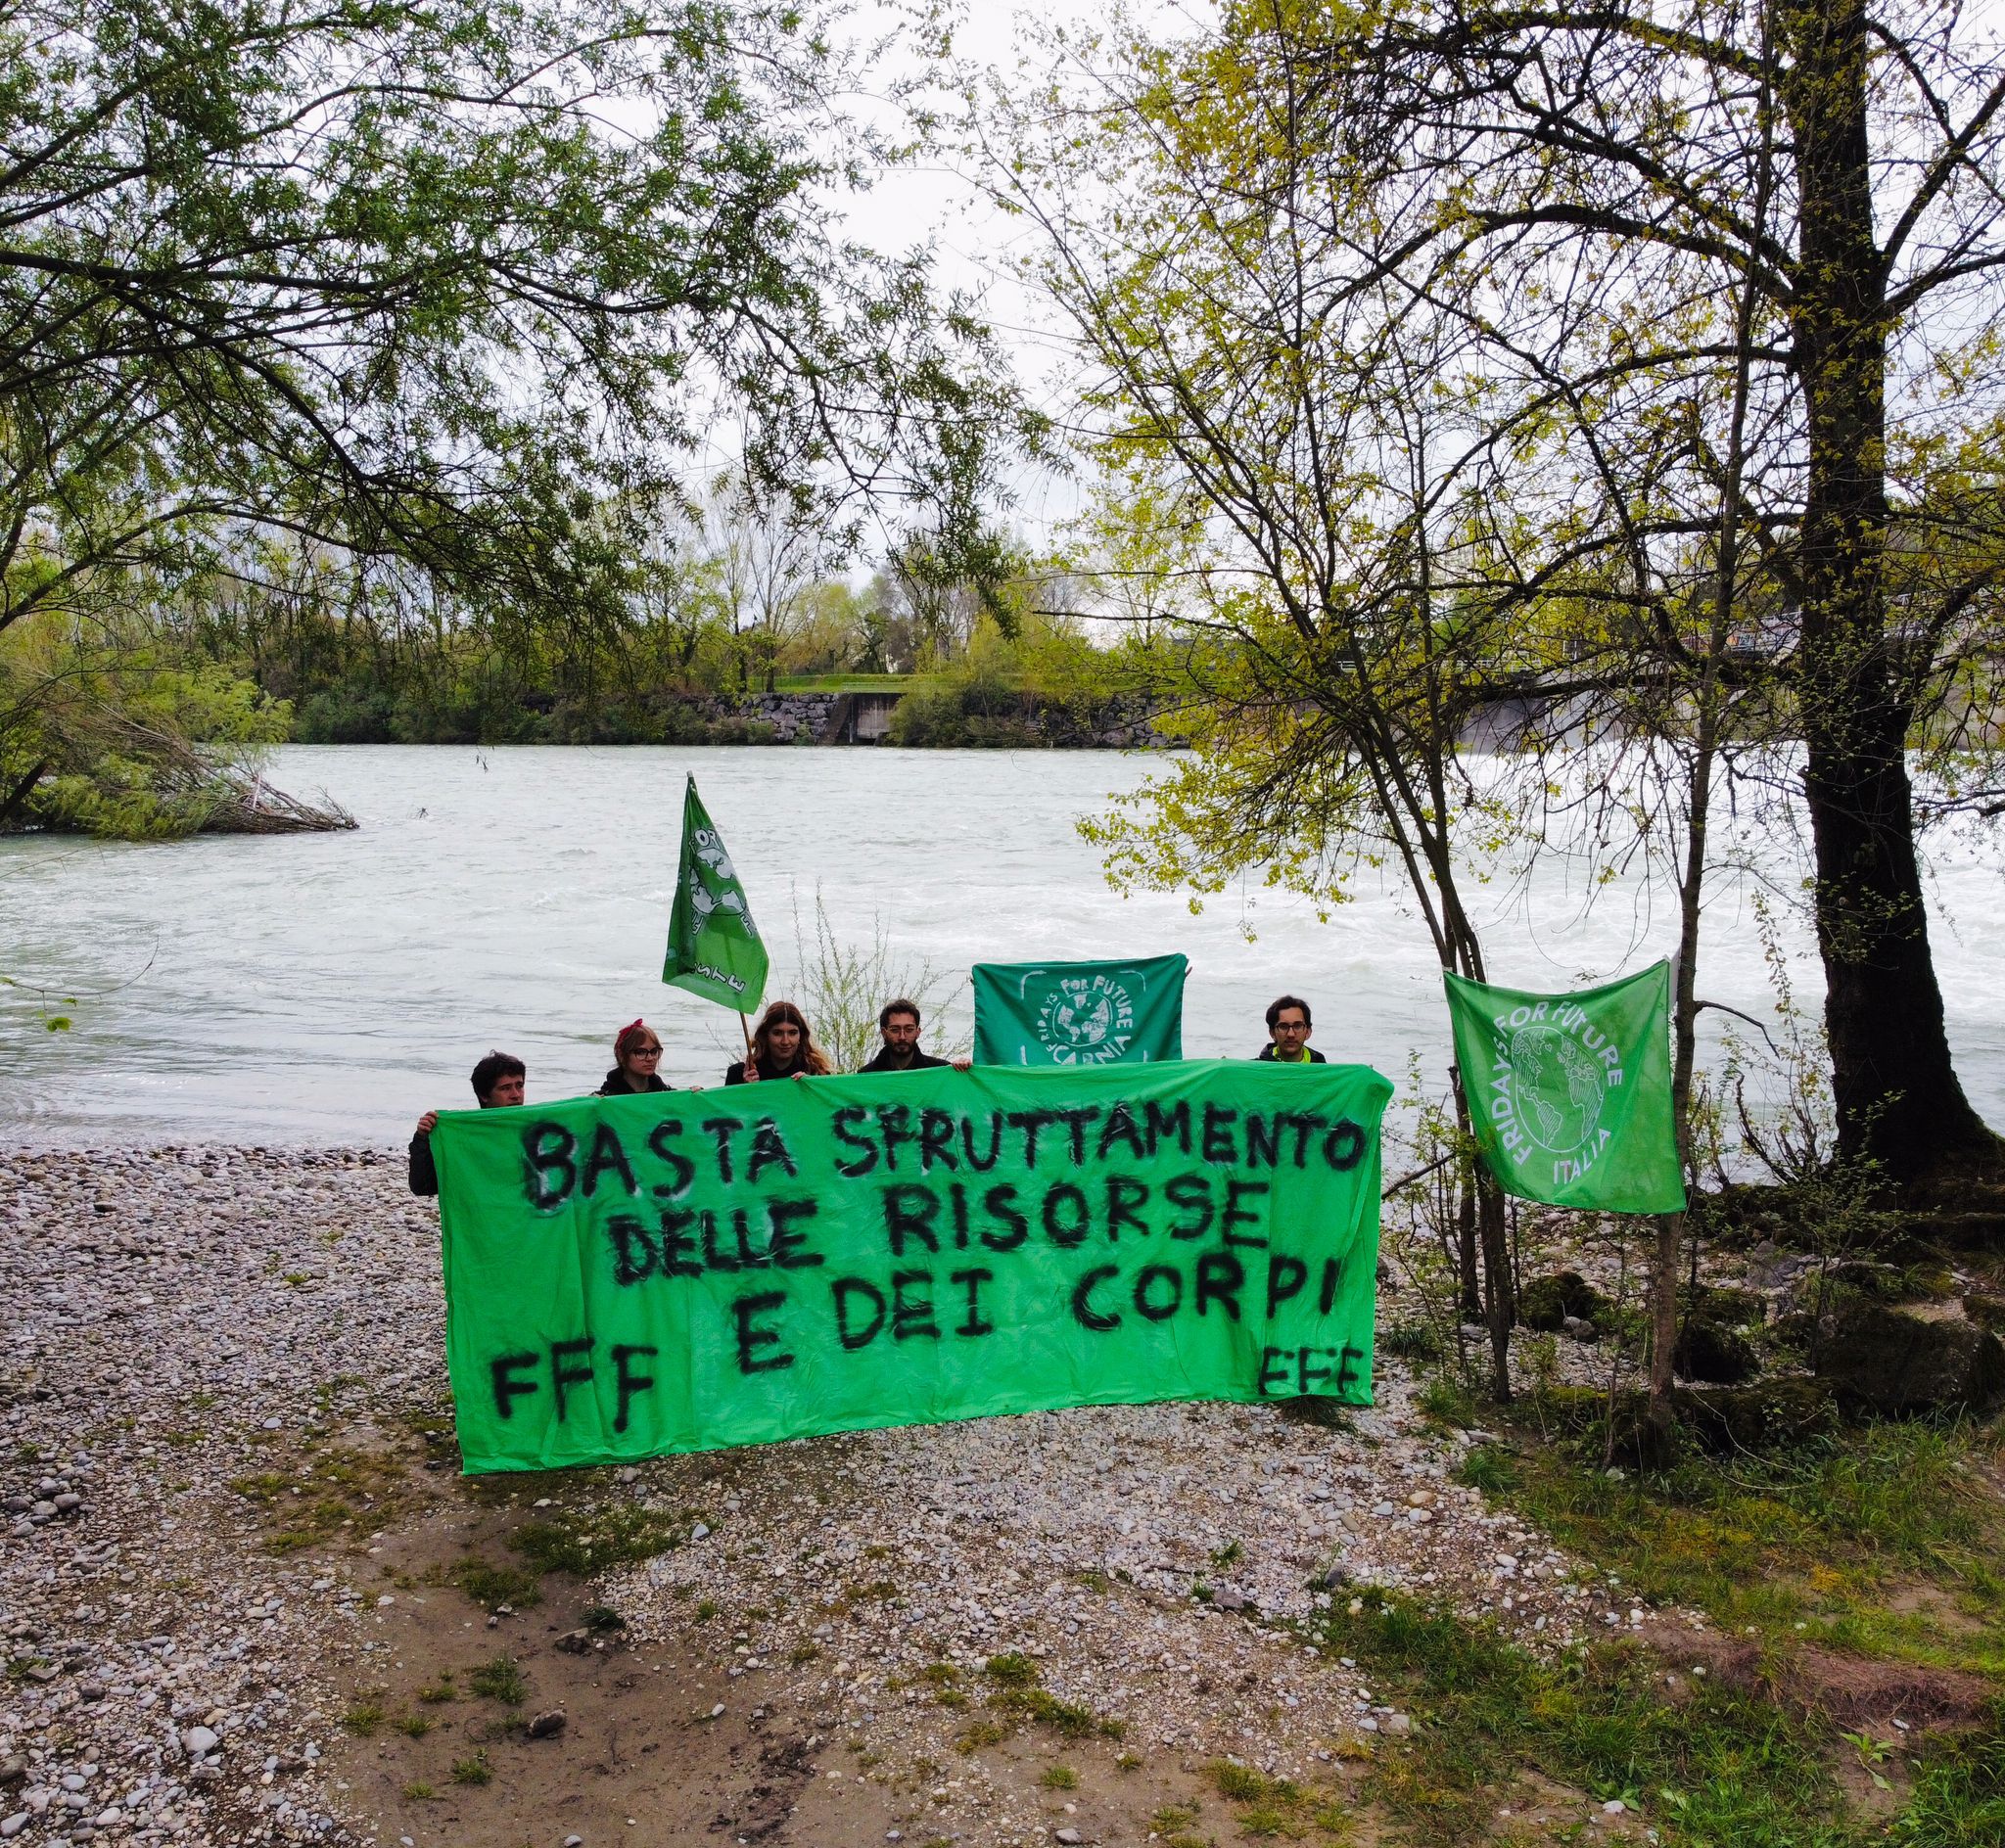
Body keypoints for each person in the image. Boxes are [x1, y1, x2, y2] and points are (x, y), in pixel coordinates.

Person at [408, 1050, 527, 1196]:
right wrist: (423, 1139)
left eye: (519, 1086)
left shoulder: (539, 1131)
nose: (516, 1095)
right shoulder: (462, 1138)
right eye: (505, 1088)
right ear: (484, 1095)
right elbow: (424, 1187)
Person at [725, 1000, 833, 1085]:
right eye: (777, 1033)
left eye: (792, 1033)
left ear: (801, 1036)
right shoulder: (738, 1074)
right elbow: (723, 1112)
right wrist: (748, 1090)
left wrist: (811, 1087)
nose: (785, 1041)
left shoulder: (818, 1073)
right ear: (766, 1035)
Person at [859, 998, 971, 1074]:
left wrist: (963, 1070)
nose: (902, 1036)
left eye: (909, 1029)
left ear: (918, 1032)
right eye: (895, 1030)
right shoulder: (866, 1076)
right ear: (884, 1033)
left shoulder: (940, 1071)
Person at [596, 1020, 672, 1096]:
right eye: (641, 1052)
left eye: (654, 1051)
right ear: (621, 1056)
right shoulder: (601, 1101)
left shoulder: (668, 1096)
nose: (650, 1058)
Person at [1257, 994, 1327, 1064]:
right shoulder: (1256, 1070)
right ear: (1272, 1033)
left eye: (1298, 1026)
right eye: (1283, 1027)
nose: (1291, 1034)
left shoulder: (1323, 1069)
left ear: (1308, 1032)